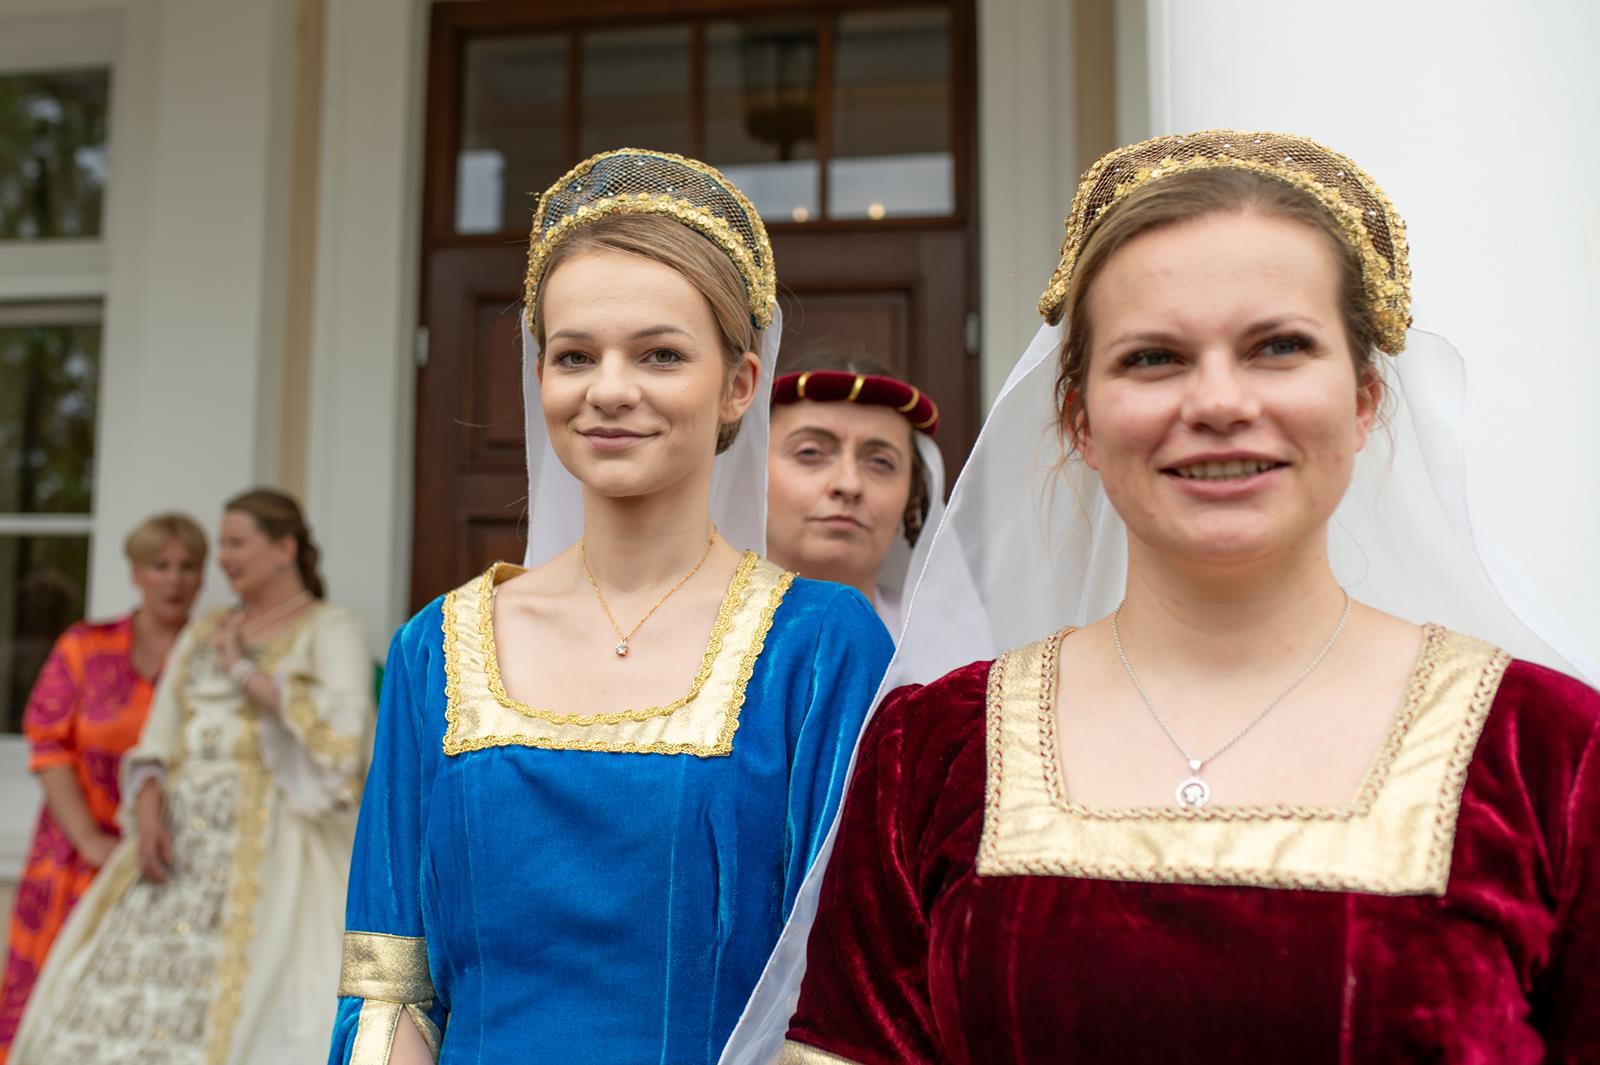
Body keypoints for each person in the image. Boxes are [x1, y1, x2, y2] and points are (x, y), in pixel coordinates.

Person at [722, 132, 1600, 1062]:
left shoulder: (1548, 752)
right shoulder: (933, 750)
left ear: (1364, 399)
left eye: (1279, 347)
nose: (1218, 401)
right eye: (1153, 358)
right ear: (1080, 419)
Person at [329, 149, 894, 1065]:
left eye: (660, 353)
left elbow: (846, 996)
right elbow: (390, 983)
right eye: (575, 356)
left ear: (740, 384)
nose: (610, 389)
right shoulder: (437, 646)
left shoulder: (821, 646)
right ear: (540, 378)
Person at [11, 489, 376, 1065]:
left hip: (283, 843)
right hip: (179, 845)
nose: (222, 558)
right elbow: (157, 739)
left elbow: (346, 736)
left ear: (283, 549)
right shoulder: (205, 630)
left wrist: (244, 671)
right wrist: (148, 813)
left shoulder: (332, 628)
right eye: (222, 544)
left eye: (236, 543)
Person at [0, 513, 206, 1061]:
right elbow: (47, 743)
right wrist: (90, 841)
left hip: (170, 860)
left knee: (148, 1009)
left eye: (188, 567)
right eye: (160, 566)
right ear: (135, 573)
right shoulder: (85, 646)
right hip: (75, 854)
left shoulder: (211, 655)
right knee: (53, 1003)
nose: (175, 579)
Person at [766, 352, 945, 638]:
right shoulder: (696, 631)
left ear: (912, 493)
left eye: (880, 462)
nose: (849, 484)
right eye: (810, 452)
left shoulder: (942, 646)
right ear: (753, 471)